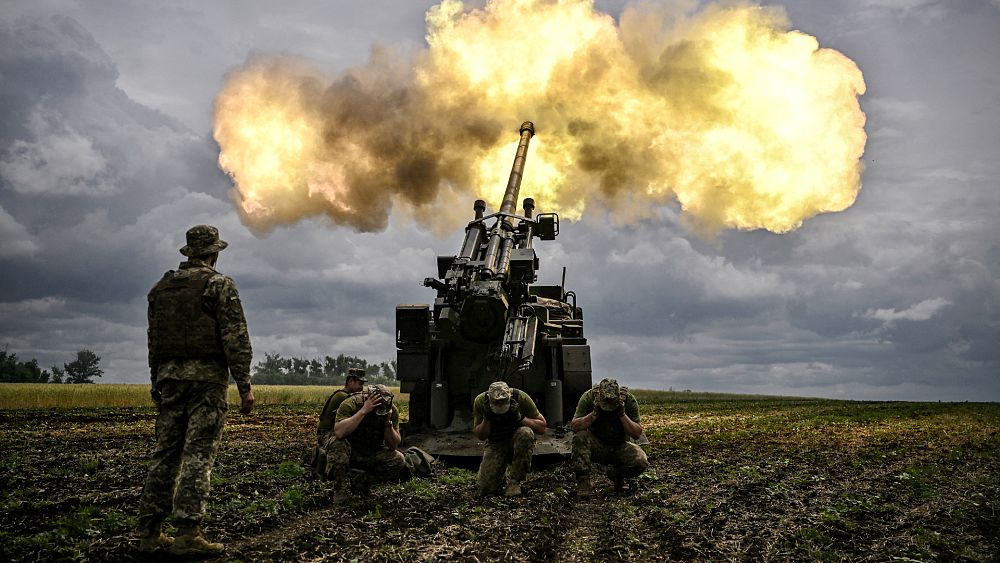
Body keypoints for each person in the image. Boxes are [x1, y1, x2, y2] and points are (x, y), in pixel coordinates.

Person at [137, 225, 254, 556]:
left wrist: (155, 381)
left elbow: (154, 343)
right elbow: (235, 339)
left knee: (165, 455)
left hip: (168, 380)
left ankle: (149, 533)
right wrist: (244, 386)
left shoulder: (159, 289)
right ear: (213, 253)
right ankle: (188, 534)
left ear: (189, 252)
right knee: (197, 456)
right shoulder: (219, 285)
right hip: (206, 383)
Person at [569, 378, 647, 499]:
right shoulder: (589, 397)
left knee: (641, 461)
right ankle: (583, 484)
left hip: (620, 445)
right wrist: (593, 414)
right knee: (580, 437)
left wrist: (622, 414)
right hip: (597, 445)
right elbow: (575, 426)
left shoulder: (629, 400)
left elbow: (637, 433)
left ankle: (618, 475)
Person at [328, 384, 406, 497]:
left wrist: (387, 424)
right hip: (349, 450)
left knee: (398, 459)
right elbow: (339, 432)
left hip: (371, 450)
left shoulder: (391, 411)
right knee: (337, 444)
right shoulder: (351, 404)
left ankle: (361, 482)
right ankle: (340, 489)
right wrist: (363, 411)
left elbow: (393, 445)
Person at [472, 381, 547, 497]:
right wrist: (486, 419)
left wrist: (521, 418)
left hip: (517, 439)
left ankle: (515, 481)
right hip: (496, 443)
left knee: (526, 433)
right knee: (486, 489)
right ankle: (499, 476)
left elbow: (542, 427)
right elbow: (481, 436)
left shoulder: (520, 397)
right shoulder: (480, 402)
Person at [313, 368, 367, 476]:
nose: (361, 388)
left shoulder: (346, 396)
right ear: (351, 381)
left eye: (362, 385)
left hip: (335, 429)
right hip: (326, 433)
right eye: (359, 384)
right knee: (341, 445)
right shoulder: (343, 397)